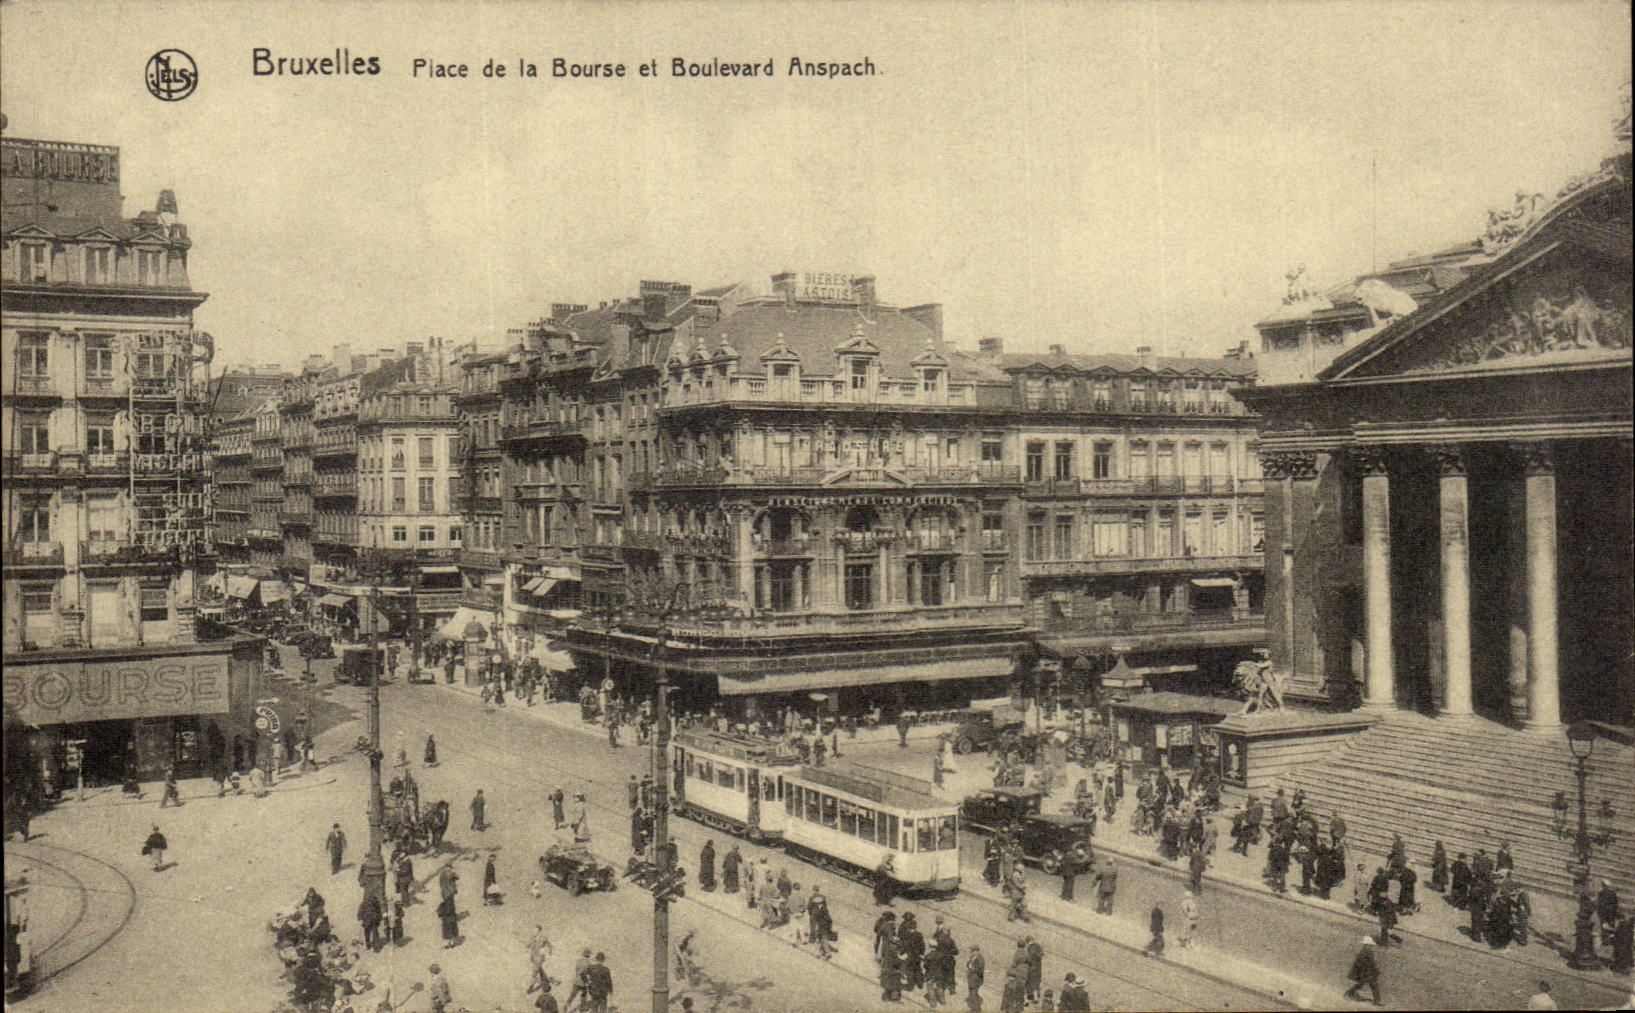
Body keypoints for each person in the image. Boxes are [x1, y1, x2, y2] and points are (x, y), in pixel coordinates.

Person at [1344, 936, 1381, 1006]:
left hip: (1364, 972)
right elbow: (1369, 963)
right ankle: (1377, 1000)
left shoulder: (1364, 951)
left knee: (1362, 984)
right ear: (1367, 945)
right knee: (1373, 985)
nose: (1370, 947)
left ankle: (1350, 992)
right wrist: (1374, 970)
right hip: (1367, 972)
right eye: (1370, 945)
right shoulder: (1367, 952)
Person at [565, 947, 593, 1012]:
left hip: (576, 981)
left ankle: (566, 1006)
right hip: (583, 982)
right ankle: (582, 1009)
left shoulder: (578, 961)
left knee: (572, 995)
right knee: (583, 996)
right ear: (588, 955)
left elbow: (576, 970)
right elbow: (589, 974)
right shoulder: (588, 963)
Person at [1600, 880, 1622, 948]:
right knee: (1609, 926)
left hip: (1607, 913)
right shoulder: (1611, 893)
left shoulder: (1602, 893)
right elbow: (1616, 904)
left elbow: (1599, 904)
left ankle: (1607, 941)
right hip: (1609, 913)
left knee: (1606, 926)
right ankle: (1609, 941)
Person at [965, 945, 985, 1012]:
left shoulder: (980, 958)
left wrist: (972, 968)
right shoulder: (973, 958)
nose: (971, 952)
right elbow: (968, 965)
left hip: (976, 979)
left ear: (976, 951)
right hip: (971, 979)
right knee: (972, 993)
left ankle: (975, 1009)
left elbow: (980, 970)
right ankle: (975, 1008)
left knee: (973, 993)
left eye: (973, 951)